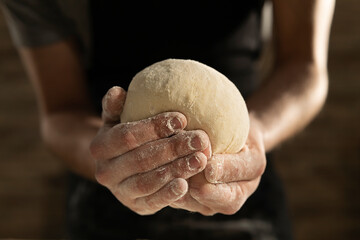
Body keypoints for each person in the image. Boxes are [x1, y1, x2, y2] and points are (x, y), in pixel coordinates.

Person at [1, 0, 335, 239]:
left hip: (241, 175)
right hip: (106, 187)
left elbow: (305, 68)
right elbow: (61, 113)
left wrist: (256, 130)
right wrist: (106, 154)